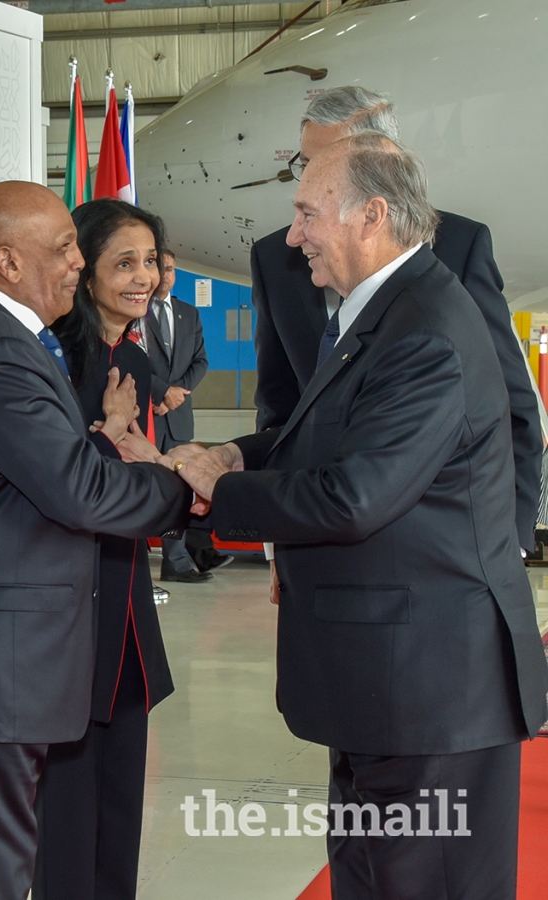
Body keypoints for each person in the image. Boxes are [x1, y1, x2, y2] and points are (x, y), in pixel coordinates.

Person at [148, 135, 548, 900]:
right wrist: (233, 455)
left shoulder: (423, 330)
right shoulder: (388, 310)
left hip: (428, 697)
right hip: (388, 688)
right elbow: (323, 434)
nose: (292, 235)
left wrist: (216, 491)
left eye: (306, 212)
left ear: (372, 215)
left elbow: (353, 494)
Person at [0, 181, 192, 900]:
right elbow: (81, 489)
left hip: (7, 657)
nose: (75, 263)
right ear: (6, 261)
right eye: (63, 249)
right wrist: (186, 487)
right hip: (1, 660)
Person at [252, 85, 541, 570]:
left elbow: (509, 403)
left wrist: (508, 539)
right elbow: (282, 408)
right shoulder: (277, 257)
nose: (312, 180)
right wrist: (277, 537)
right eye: (306, 165)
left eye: (331, 162)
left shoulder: (457, 248)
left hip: (437, 548)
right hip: (320, 538)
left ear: (382, 168)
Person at [35, 199, 176, 900]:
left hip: (124, 601)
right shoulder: (57, 357)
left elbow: (137, 476)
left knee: (120, 801)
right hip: (68, 608)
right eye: (125, 262)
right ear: (83, 269)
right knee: (67, 812)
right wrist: (110, 435)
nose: (143, 276)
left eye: (150, 261)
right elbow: (66, 484)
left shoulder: (138, 363)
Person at [143, 250, 230, 582]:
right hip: (147, 415)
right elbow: (128, 357)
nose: (165, 275)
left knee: (181, 488)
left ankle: (176, 562)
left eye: (171, 269)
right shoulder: (135, 312)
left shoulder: (188, 314)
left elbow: (201, 362)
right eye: (159, 268)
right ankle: (140, 561)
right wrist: (160, 393)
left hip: (177, 416)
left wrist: (174, 395)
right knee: (148, 487)